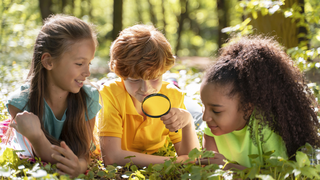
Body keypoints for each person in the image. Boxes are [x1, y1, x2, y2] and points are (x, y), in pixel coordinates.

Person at [3, 14, 101, 178]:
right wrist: (36, 136)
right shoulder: (21, 104)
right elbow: (46, 159)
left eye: (89, 63)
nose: (87, 72)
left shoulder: (88, 98)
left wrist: (80, 166)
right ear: (48, 62)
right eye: (79, 63)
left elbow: (84, 152)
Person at [200, 36, 320, 169]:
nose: (205, 117)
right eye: (204, 107)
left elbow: (278, 174)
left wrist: (229, 167)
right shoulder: (212, 128)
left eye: (216, 111)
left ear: (247, 107)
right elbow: (209, 170)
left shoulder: (265, 129)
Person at [96, 24, 200, 166]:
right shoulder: (110, 94)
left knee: (195, 113)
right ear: (121, 75)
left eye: (155, 78)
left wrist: (188, 122)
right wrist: (174, 162)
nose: (145, 88)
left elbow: (192, 158)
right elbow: (112, 158)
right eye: (134, 80)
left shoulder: (172, 95)